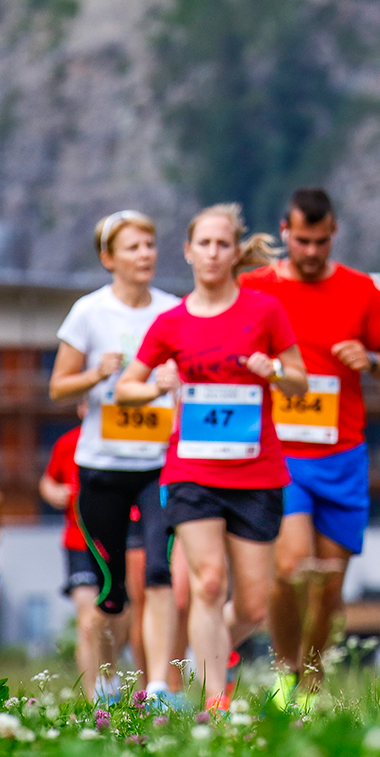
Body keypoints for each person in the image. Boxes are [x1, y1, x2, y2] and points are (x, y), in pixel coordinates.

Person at [115, 203, 308, 710]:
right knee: (207, 581)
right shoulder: (170, 321)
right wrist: (156, 383)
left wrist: (273, 372)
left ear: (235, 251)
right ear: (188, 251)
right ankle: (216, 704)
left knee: (251, 603)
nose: (213, 253)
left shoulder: (264, 311)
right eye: (204, 243)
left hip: (256, 471)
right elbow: (127, 388)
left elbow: (299, 380)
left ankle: (204, 649)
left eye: (223, 244)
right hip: (192, 470)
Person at [242, 187, 380, 703]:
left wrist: (372, 361)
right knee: (291, 567)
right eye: (301, 241)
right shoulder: (254, 287)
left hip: (341, 453)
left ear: (333, 233)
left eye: (320, 241)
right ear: (285, 232)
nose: (311, 252)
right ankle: (284, 673)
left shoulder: (360, 290)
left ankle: (311, 683)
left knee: (330, 583)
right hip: (279, 451)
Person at [49, 211, 181, 705]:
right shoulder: (89, 312)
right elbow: (58, 387)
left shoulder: (173, 310)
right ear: (108, 258)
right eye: (132, 247)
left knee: (160, 575)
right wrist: (95, 375)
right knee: (111, 593)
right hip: (103, 466)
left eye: (150, 244)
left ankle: (161, 686)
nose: (145, 254)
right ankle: (104, 690)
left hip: (160, 464)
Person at [40, 401, 101, 697]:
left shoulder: (121, 442)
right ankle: (94, 697)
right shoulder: (67, 443)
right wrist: (56, 493)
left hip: (121, 542)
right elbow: (47, 482)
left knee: (117, 619)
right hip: (78, 542)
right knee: (88, 618)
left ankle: (114, 681)